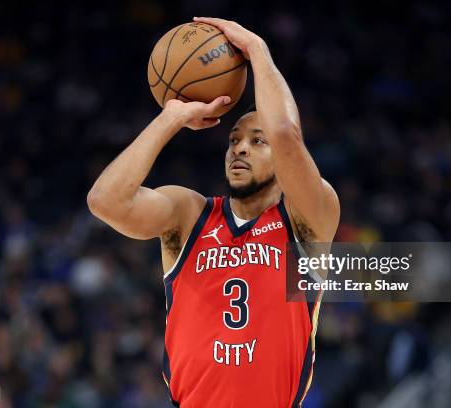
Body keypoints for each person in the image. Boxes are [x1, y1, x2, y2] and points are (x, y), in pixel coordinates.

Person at [87, 17, 340, 408]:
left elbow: (286, 136)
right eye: (234, 139)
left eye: (257, 141)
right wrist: (170, 117)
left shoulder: (306, 221)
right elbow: (105, 201)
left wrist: (257, 51)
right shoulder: (189, 215)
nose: (239, 148)